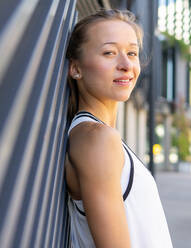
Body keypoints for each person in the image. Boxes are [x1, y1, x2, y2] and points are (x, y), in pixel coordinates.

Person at [64, 9, 173, 248]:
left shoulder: (97, 135)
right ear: (76, 68)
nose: (126, 64)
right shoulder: (97, 139)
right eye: (109, 53)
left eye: (132, 53)